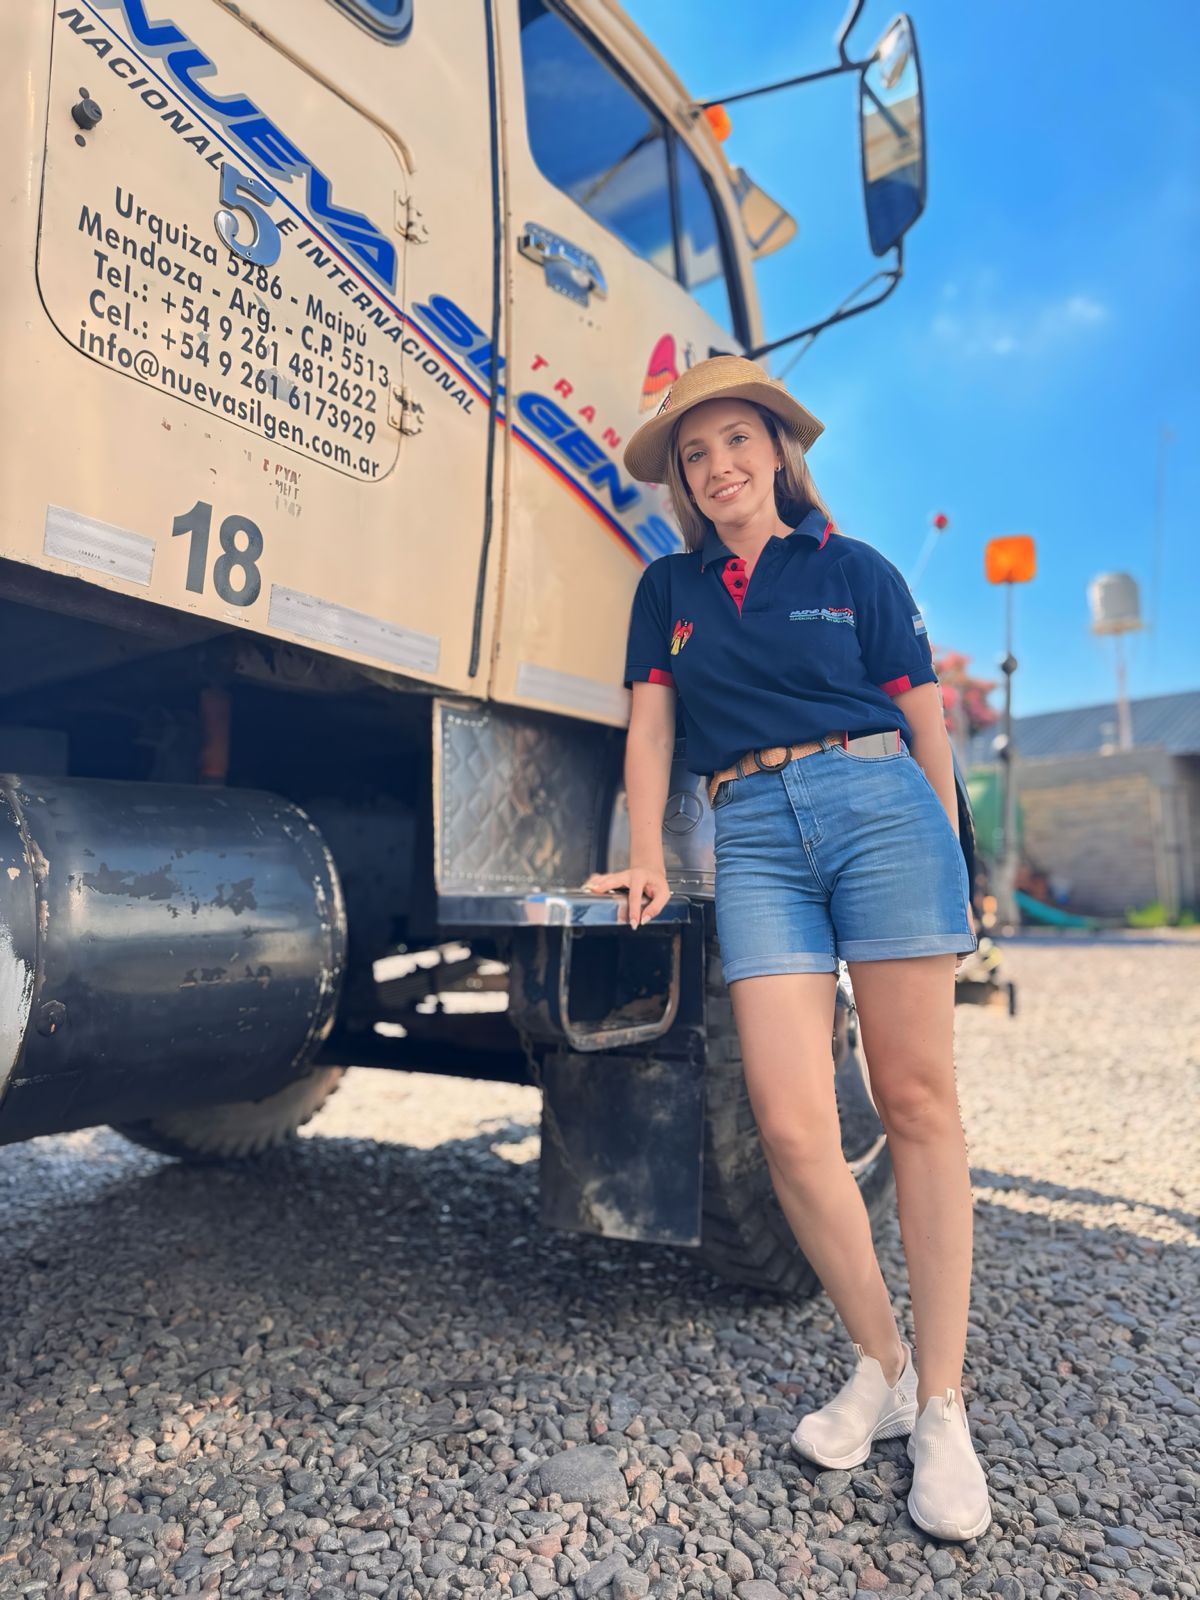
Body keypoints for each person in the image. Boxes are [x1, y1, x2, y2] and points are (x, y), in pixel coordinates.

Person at [585, 355, 990, 1542]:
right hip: (751, 826)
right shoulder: (668, 588)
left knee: (914, 1099)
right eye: (694, 454)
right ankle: (885, 1364)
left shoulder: (854, 569)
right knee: (790, 1121)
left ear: (777, 450)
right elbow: (650, 723)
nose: (716, 468)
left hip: (883, 811)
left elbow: (924, 717)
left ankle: (949, 1407)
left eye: (734, 443)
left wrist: (954, 858)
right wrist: (655, 846)